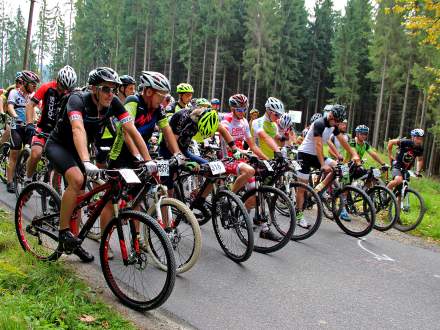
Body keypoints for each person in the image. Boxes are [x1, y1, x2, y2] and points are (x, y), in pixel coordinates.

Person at [45, 67, 151, 262]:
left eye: (114, 89)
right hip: (59, 146)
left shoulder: (114, 103)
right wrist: (86, 162)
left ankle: (75, 241)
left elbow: (131, 130)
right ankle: (63, 233)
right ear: (94, 88)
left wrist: (148, 160)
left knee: (91, 192)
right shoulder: (77, 100)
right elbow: (77, 129)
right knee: (77, 180)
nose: (111, 94)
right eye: (105, 89)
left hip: (80, 149)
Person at [295, 105, 360, 226]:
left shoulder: (333, 126)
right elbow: (318, 145)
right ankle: (298, 215)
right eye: (335, 120)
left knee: (341, 168)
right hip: (304, 154)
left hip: (316, 155)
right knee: (301, 188)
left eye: (338, 121)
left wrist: (354, 154)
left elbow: (343, 141)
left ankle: (318, 190)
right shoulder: (319, 123)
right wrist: (322, 164)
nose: (336, 123)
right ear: (330, 115)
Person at [25, 66, 78, 184]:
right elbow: (30, 105)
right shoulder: (46, 87)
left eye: (67, 88)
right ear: (58, 80)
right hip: (43, 127)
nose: (63, 90)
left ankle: (55, 190)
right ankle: (27, 180)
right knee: (36, 154)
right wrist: (29, 123)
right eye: (62, 86)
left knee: (60, 162)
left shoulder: (70, 93)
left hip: (58, 131)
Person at [6, 70, 40, 193]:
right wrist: (15, 116)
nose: (34, 87)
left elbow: (38, 109)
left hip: (28, 127)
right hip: (17, 127)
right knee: (14, 153)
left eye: (36, 85)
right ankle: (10, 182)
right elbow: (10, 106)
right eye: (33, 84)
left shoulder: (33, 96)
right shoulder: (14, 93)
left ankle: (23, 172)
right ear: (25, 83)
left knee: (32, 151)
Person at [95, 74, 136, 168]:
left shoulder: (131, 104)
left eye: (134, 88)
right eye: (130, 88)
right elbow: (109, 121)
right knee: (102, 165)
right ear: (122, 88)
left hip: (120, 139)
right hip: (104, 136)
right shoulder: (111, 100)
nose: (133, 91)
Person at [0, 72, 24, 146]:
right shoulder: (11, 89)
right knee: (8, 131)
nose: (20, 84)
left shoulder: (26, 91)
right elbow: (1, 99)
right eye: (18, 82)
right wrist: (2, 112)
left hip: (21, 117)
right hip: (8, 113)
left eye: (22, 82)